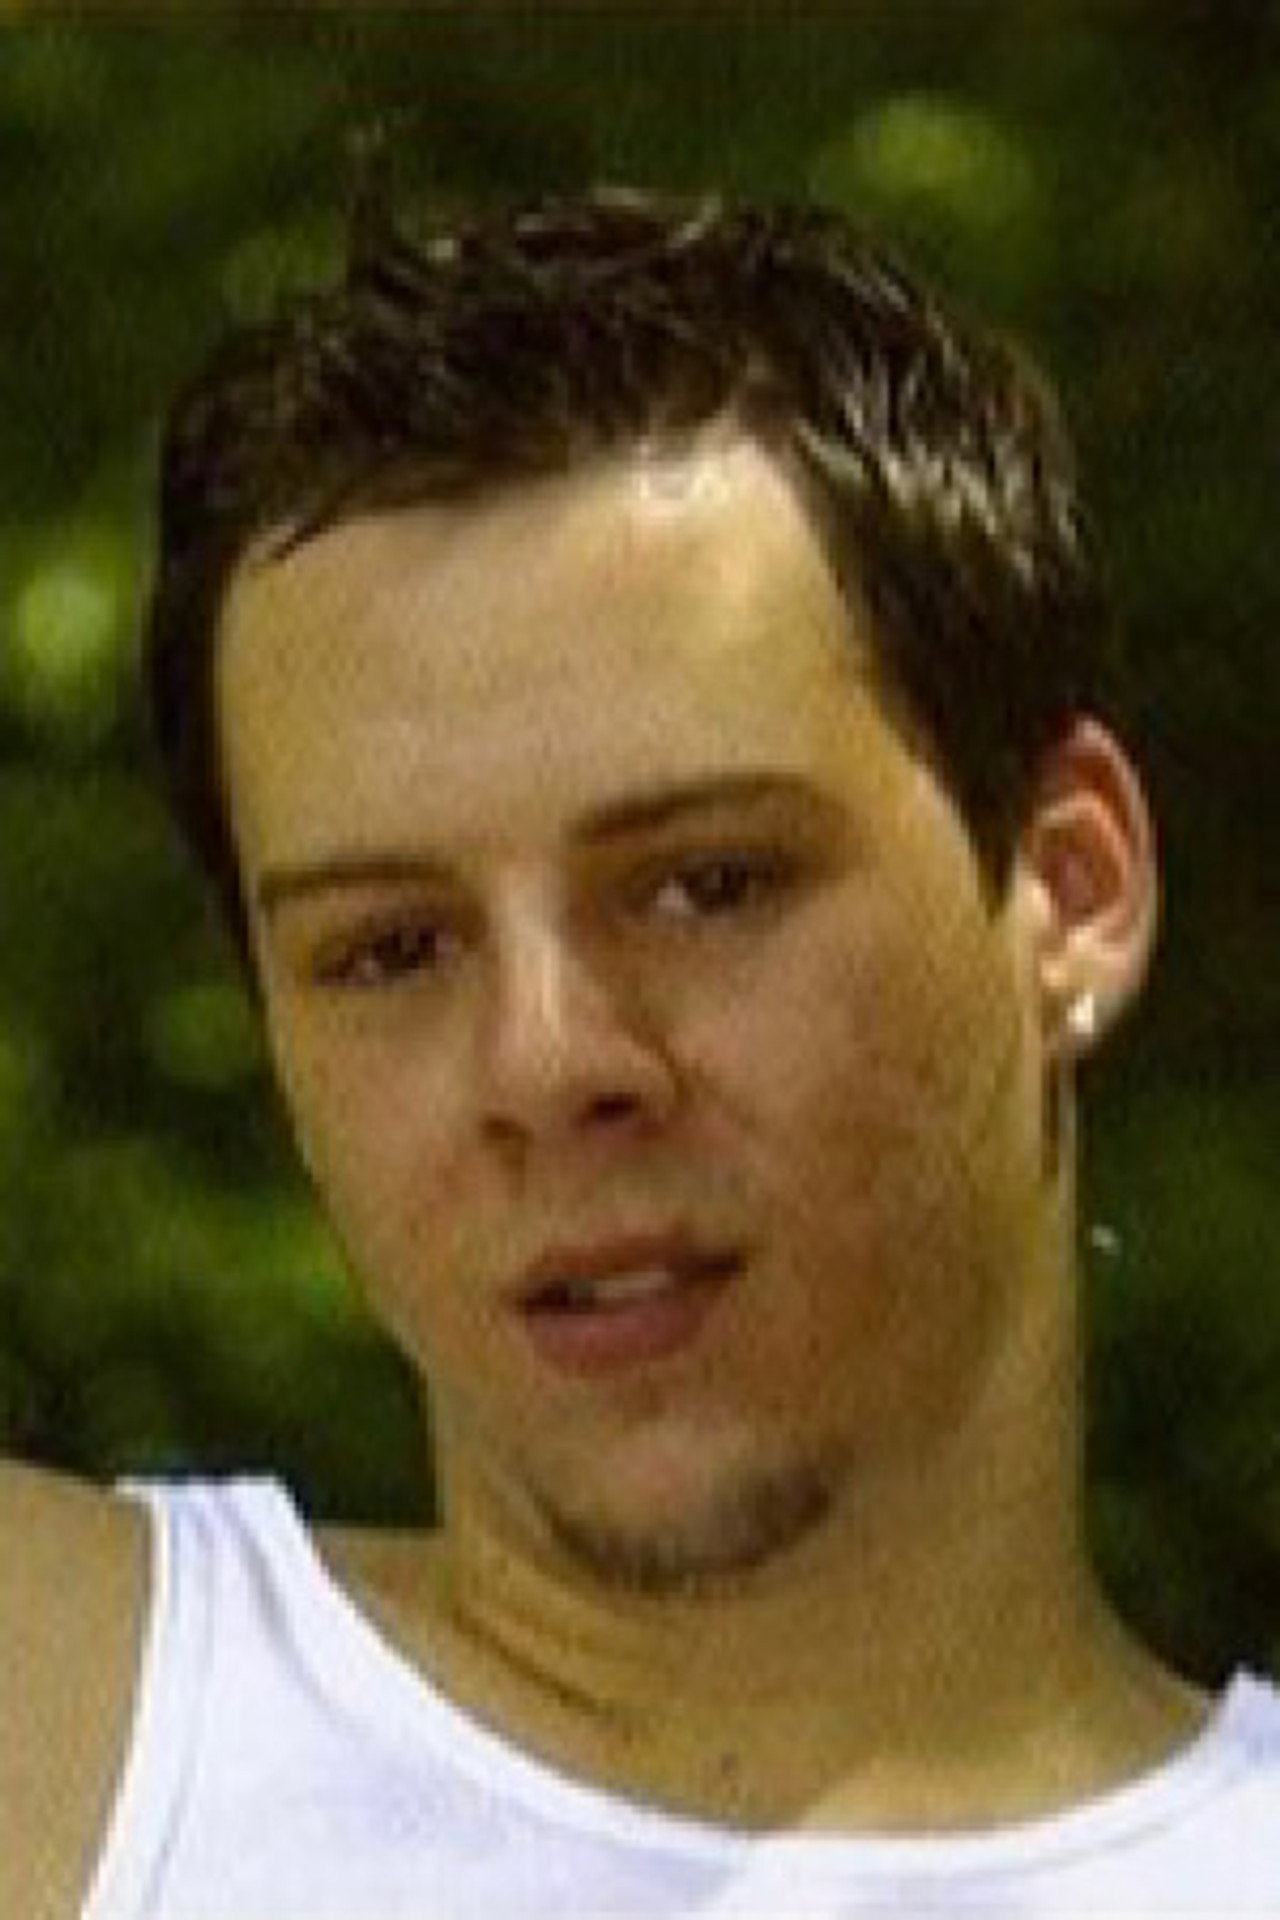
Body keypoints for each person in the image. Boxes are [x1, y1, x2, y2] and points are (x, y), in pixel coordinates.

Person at [4, 186, 1277, 1920]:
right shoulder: (60, 1742)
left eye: (708, 884)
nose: (546, 1060)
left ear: (1071, 888)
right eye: (388, 949)